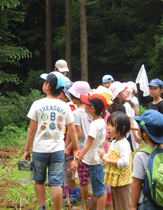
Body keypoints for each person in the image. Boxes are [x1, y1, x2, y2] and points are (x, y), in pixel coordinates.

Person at [24, 71, 80, 210]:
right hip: (57, 151)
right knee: (56, 183)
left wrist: (26, 149)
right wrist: (77, 149)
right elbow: (72, 130)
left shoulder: (37, 104)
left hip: (39, 150)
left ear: (47, 86)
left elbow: (31, 130)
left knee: (39, 180)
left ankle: (42, 207)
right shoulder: (65, 106)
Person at [131, 110, 163, 210]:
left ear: (145, 134)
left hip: (148, 202)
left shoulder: (140, 155)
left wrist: (132, 206)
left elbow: (136, 182)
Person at [76, 93, 108, 210]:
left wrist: (79, 157)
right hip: (99, 157)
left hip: (95, 160)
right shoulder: (101, 122)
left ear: (92, 108)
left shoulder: (94, 125)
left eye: (87, 103)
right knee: (100, 187)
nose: (84, 105)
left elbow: (88, 144)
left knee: (99, 191)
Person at [98, 111, 132, 210]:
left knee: (124, 204)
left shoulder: (123, 144)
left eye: (112, 125)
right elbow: (109, 158)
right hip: (115, 180)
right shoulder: (114, 142)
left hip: (122, 181)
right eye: (108, 124)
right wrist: (103, 158)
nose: (108, 127)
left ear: (122, 128)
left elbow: (125, 162)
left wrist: (108, 160)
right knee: (116, 203)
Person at [66, 81, 91, 207]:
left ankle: (85, 202)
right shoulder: (90, 111)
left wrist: (69, 147)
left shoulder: (75, 113)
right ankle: (92, 201)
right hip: (91, 150)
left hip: (81, 150)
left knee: (83, 180)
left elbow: (78, 134)